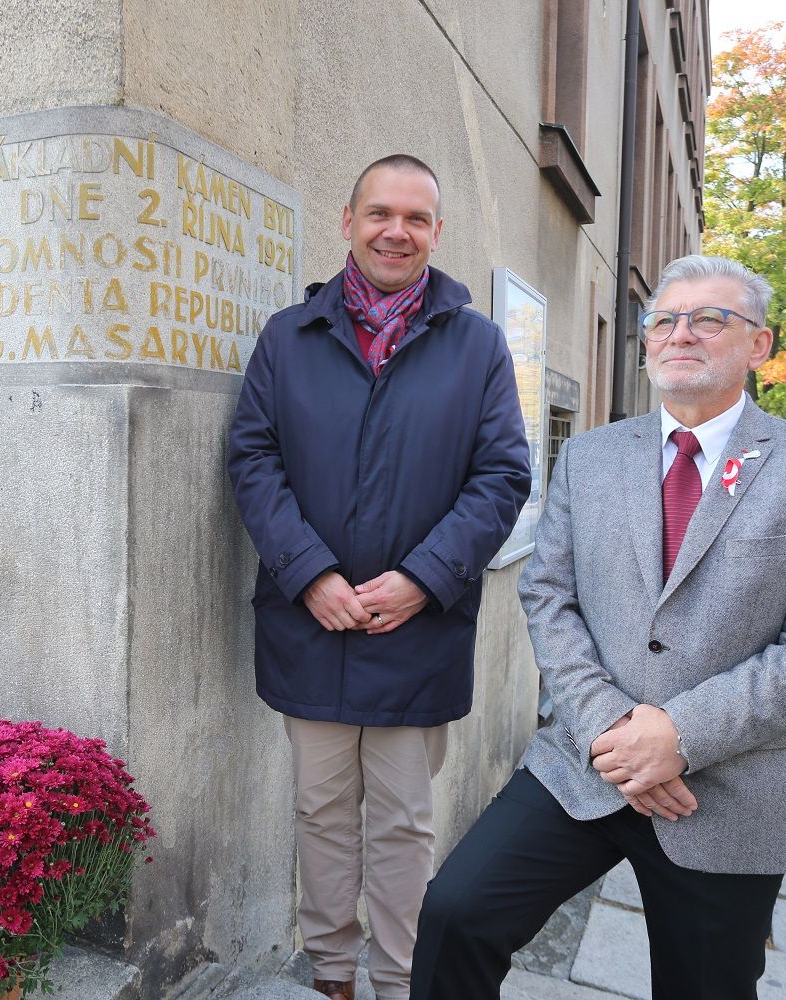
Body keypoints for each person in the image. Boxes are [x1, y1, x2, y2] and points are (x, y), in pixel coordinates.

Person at [410, 254, 786, 1000]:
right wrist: (616, 730)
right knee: (456, 915)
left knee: (705, 988)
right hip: (583, 764)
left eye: (709, 318)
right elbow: (548, 594)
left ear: (758, 344)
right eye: (664, 320)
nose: (679, 333)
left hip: (729, 784)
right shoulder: (590, 455)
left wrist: (680, 735)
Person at [226, 154, 530, 1000]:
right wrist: (308, 573)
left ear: (437, 232)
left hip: (416, 630)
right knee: (320, 814)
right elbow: (253, 456)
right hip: (310, 624)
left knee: (401, 823)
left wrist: (424, 579)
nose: (397, 231)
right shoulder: (290, 337)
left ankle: (399, 983)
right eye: (380, 214)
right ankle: (330, 973)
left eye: (417, 218)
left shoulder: (475, 345)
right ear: (348, 220)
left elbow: (502, 475)